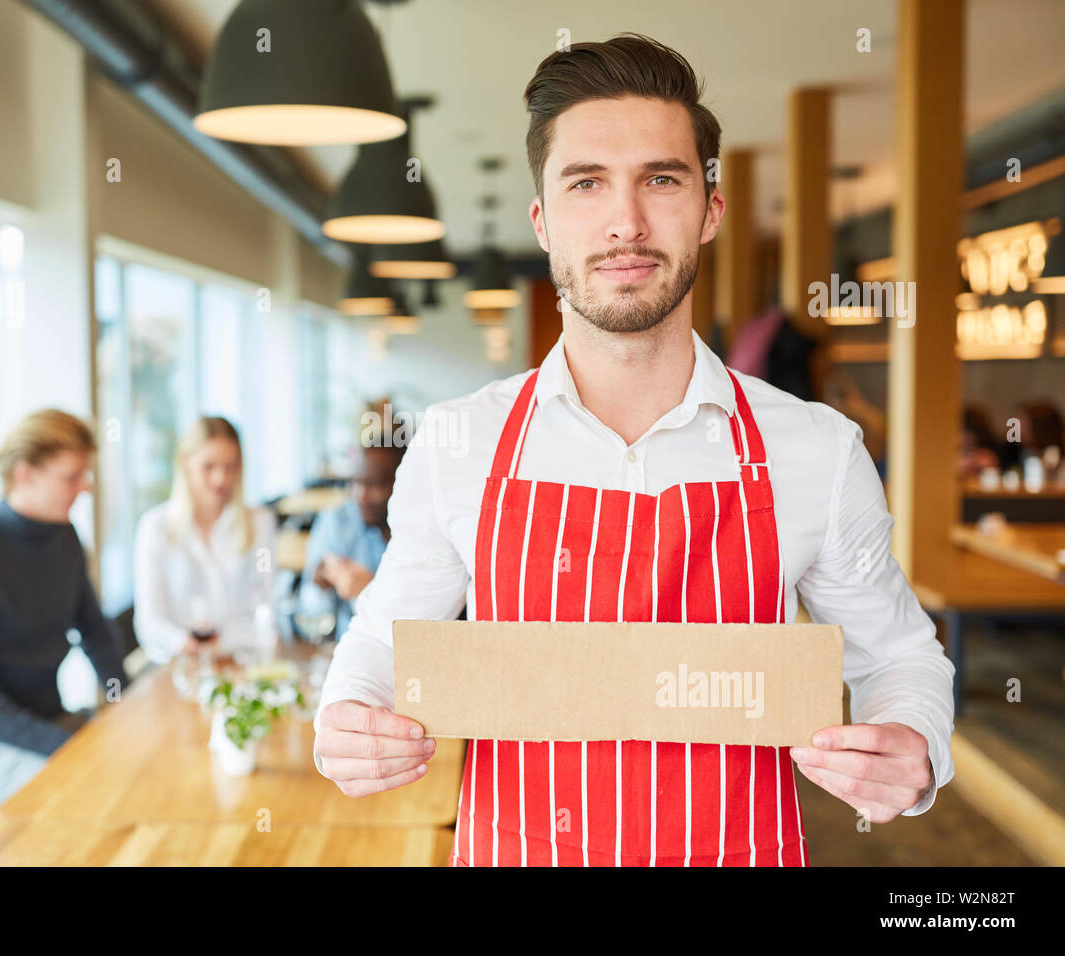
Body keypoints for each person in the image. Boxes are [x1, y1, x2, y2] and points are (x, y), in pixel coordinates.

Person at [312, 33, 954, 868]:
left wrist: (912, 739)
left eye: (662, 178)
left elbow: (900, 654)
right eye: (587, 183)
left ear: (710, 210)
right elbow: (381, 642)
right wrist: (347, 714)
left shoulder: (817, 450)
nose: (627, 222)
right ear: (543, 222)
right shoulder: (458, 443)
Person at [0, 409, 129, 818]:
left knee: (139, 765)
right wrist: (61, 745)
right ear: (25, 474)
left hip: (49, 727)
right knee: (91, 801)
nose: (84, 488)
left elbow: (93, 629)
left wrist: (122, 699)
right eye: (72, 477)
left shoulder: (65, 538)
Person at [133, 416, 277, 664]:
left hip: (239, 663)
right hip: (177, 666)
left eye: (231, 467)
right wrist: (181, 641)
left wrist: (224, 642)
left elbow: (266, 609)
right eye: (208, 467)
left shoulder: (260, 523)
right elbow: (149, 622)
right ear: (185, 463)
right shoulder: (155, 527)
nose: (221, 478)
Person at [297, 439, 406, 639]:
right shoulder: (339, 522)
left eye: (374, 484)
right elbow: (309, 614)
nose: (361, 496)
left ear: (403, 485)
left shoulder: (420, 531)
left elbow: (418, 618)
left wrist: (370, 590)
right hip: (350, 646)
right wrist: (319, 585)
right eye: (356, 482)